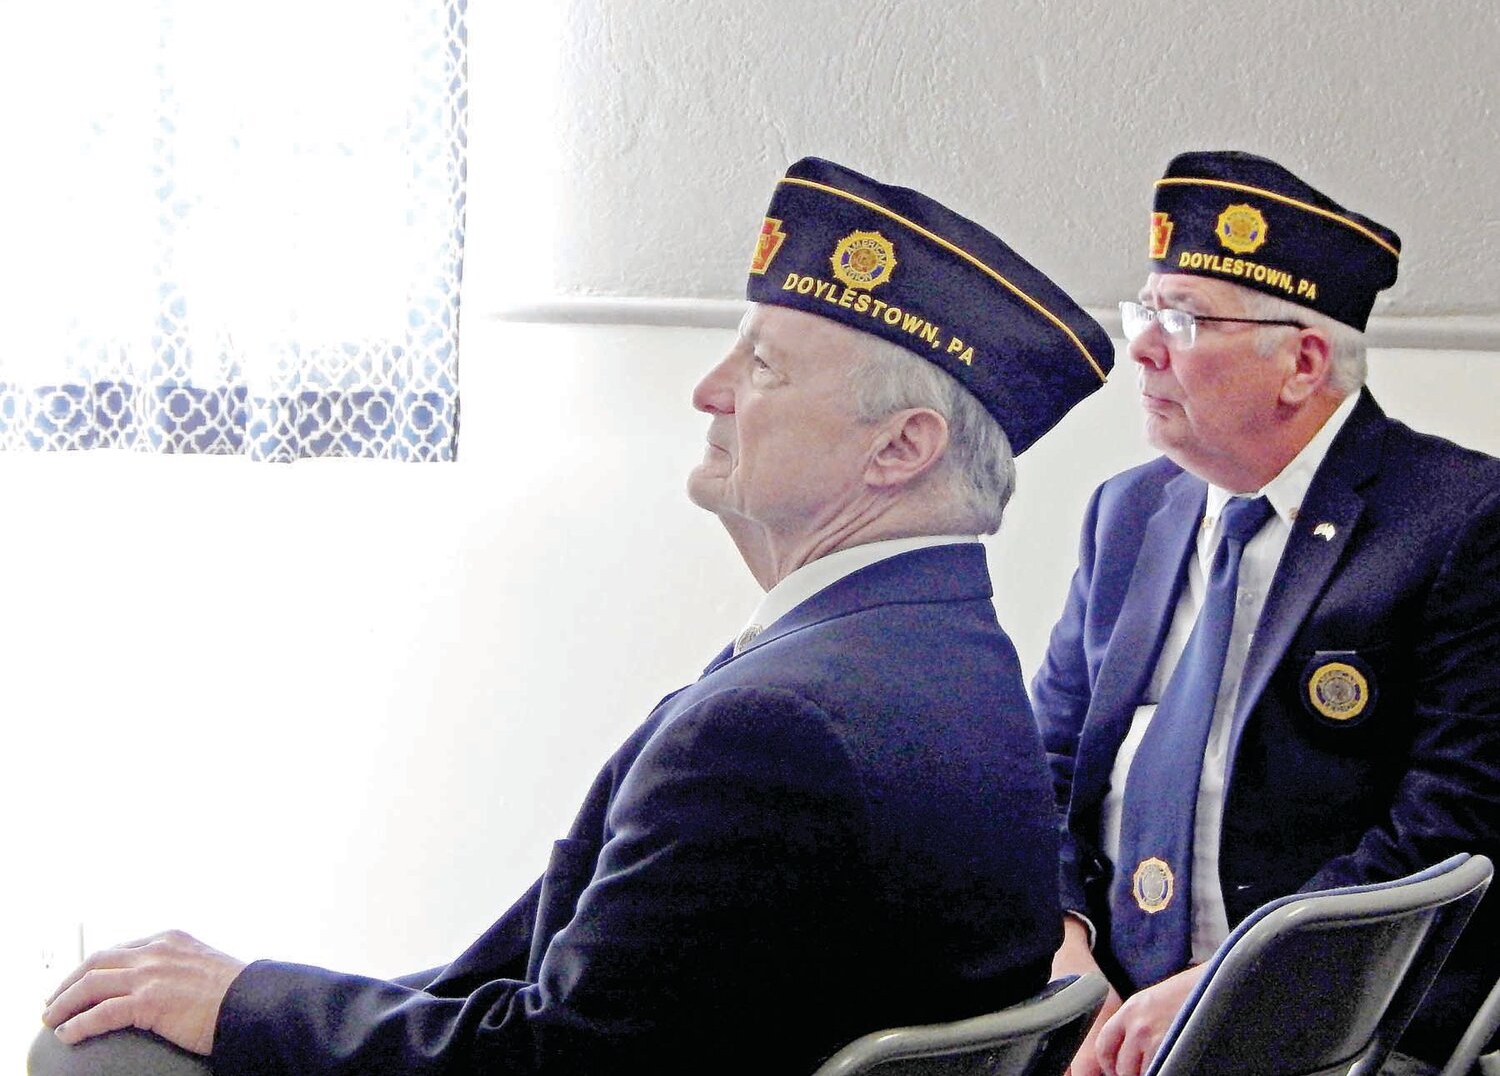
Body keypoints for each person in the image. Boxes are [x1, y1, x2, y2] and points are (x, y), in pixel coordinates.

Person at [32, 156, 1115, 1076]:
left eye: (765, 363)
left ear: (901, 449)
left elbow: (556, 1063)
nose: (710, 388)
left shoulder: (789, 724)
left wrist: (248, 1004)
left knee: (97, 1054)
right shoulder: (934, 649)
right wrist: (273, 996)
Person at [1035, 149, 1500, 1076]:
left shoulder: (1461, 520)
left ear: (1303, 361)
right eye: (1145, 310)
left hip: (1338, 1032)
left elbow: (1452, 827)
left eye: (1182, 317)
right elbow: (1041, 764)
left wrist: (1227, 990)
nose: (1142, 346)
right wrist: (1066, 949)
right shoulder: (1128, 512)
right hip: (1110, 1016)